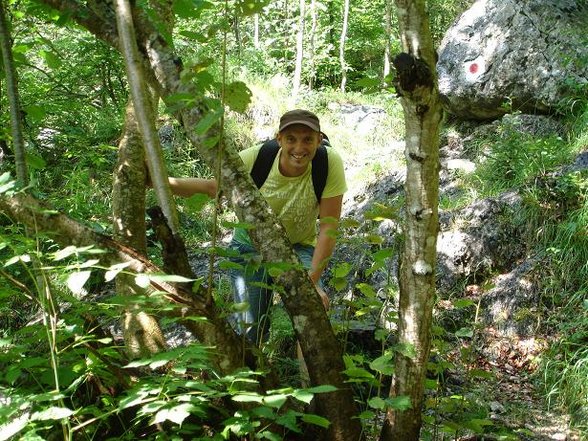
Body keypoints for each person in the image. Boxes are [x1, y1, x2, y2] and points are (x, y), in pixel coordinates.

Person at [169, 109, 347, 345]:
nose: (299, 147)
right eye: (291, 139)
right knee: (251, 332)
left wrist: (312, 281)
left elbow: (329, 226)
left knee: (314, 314)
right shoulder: (256, 158)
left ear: (319, 140)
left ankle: (311, 381)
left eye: (307, 139)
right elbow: (213, 187)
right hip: (249, 248)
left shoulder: (328, 162)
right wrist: (162, 182)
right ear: (279, 139)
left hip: (299, 247)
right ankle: (250, 378)